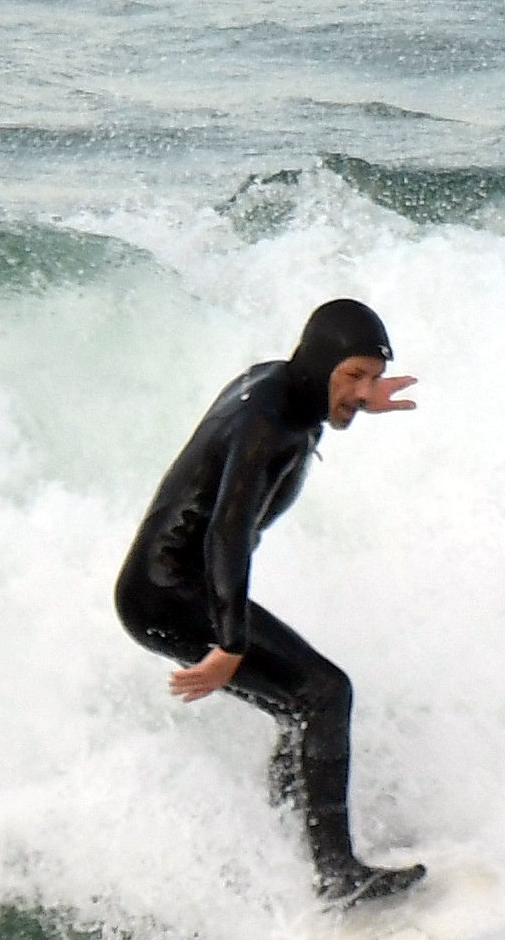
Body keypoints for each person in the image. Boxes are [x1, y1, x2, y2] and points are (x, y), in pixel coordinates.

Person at [114, 298, 427, 906]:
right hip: (169, 591)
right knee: (327, 693)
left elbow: (226, 526)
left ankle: (292, 841)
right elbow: (224, 536)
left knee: (299, 706)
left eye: (370, 377)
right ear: (319, 364)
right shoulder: (269, 424)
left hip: (174, 584)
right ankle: (337, 876)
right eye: (352, 376)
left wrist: (360, 400)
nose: (362, 391)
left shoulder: (283, 387)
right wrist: (230, 645)